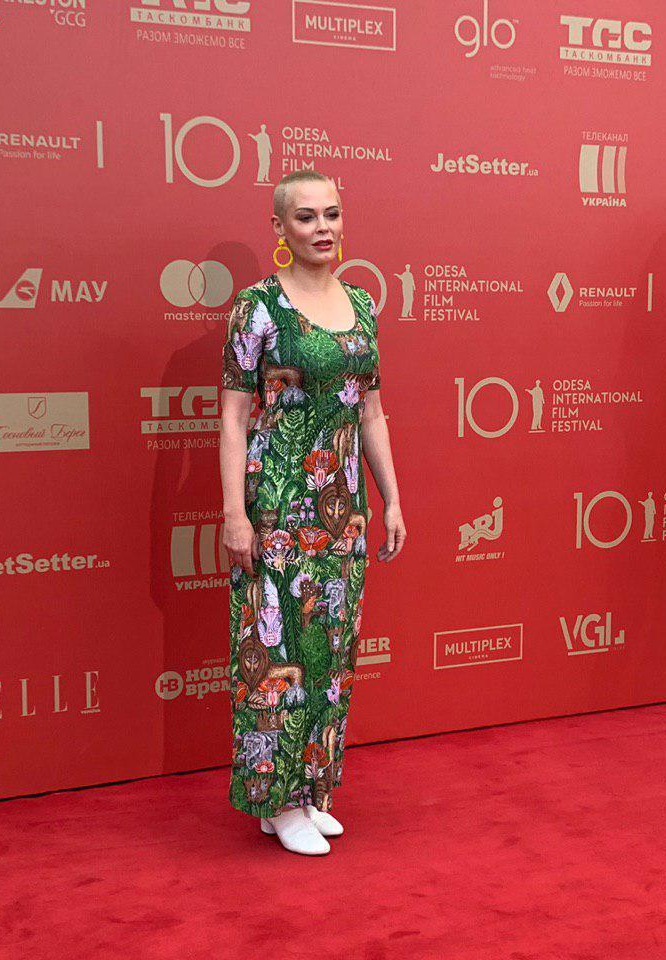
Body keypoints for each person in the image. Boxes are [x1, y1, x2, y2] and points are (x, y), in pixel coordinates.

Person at [218, 169, 406, 855]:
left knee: (330, 653)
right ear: (279, 228)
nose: (322, 227)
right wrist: (234, 514)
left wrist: (391, 499)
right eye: (305, 217)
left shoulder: (362, 304)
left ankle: (310, 791)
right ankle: (276, 799)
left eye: (331, 213)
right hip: (275, 506)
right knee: (275, 655)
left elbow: (371, 412)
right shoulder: (257, 307)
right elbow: (233, 417)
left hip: (342, 514)